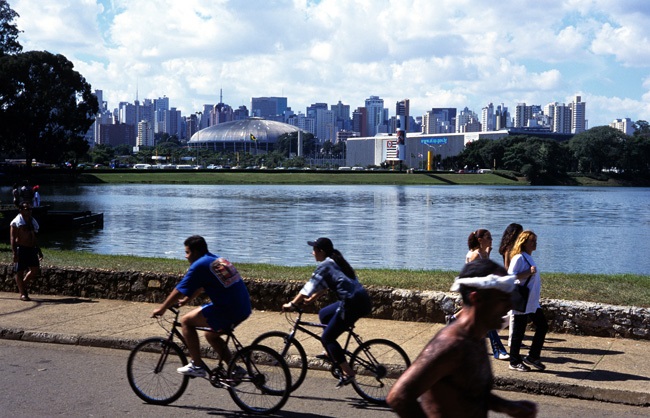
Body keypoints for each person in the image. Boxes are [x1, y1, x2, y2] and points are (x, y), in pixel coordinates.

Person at [387, 259, 538, 418]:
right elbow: (398, 397)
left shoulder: (476, 337)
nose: (509, 306)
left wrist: (509, 407)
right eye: (502, 299)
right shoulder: (451, 345)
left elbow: (472, 392)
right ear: (476, 299)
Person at [152, 235, 252, 378]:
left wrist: (162, 308)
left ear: (196, 252)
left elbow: (178, 290)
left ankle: (197, 365)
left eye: (187, 252)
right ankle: (234, 368)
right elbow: (200, 286)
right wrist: (187, 299)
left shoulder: (199, 265)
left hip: (228, 309)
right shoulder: (214, 259)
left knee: (186, 321)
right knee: (211, 335)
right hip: (242, 307)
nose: (186, 256)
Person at [282, 237, 372, 388]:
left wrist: (292, 304)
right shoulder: (335, 260)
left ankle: (348, 373)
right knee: (324, 313)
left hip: (353, 304)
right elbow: (325, 285)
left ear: (321, 251)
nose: (312, 253)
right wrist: (312, 299)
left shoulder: (325, 265)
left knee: (328, 338)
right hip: (360, 299)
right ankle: (330, 352)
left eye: (314, 250)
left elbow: (308, 287)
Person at [464, 229, 509, 360]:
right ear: (480, 240)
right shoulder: (475, 255)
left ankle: (454, 324)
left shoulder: (483, 254)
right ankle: (498, 351)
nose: (491, 240)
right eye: (488, 237)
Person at [507, 230, 548, 372]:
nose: (535, 243)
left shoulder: (528, 257)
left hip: (532, 302)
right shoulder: (519, 258)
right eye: (532, 241)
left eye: (535, 240)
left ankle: (532, 356)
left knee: (542, 326)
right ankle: (514, 361)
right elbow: (510, 278)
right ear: (524, 243)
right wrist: (528, 273)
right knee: (518, 332)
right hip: (522, 301)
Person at [10, 202, 43, 301]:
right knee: (19, 271)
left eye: (30, 209)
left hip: (31, 249)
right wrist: (15, 252)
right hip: (21, 248)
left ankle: (22, 285)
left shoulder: (32, 221)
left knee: (35, 269)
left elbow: (34, 236)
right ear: (21, 210)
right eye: (26, 209)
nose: (29, 211)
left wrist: (39, 250)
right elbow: (12, 238)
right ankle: (22, 293)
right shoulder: (16, 222)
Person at [498, 223, 524, 346]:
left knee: (513, 312)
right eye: (521, 233)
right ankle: (509, 338)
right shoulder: (509, 248)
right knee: (515, 312)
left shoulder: (513, 247)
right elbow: (508, 267)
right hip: (511, 282)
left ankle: (495, 329)